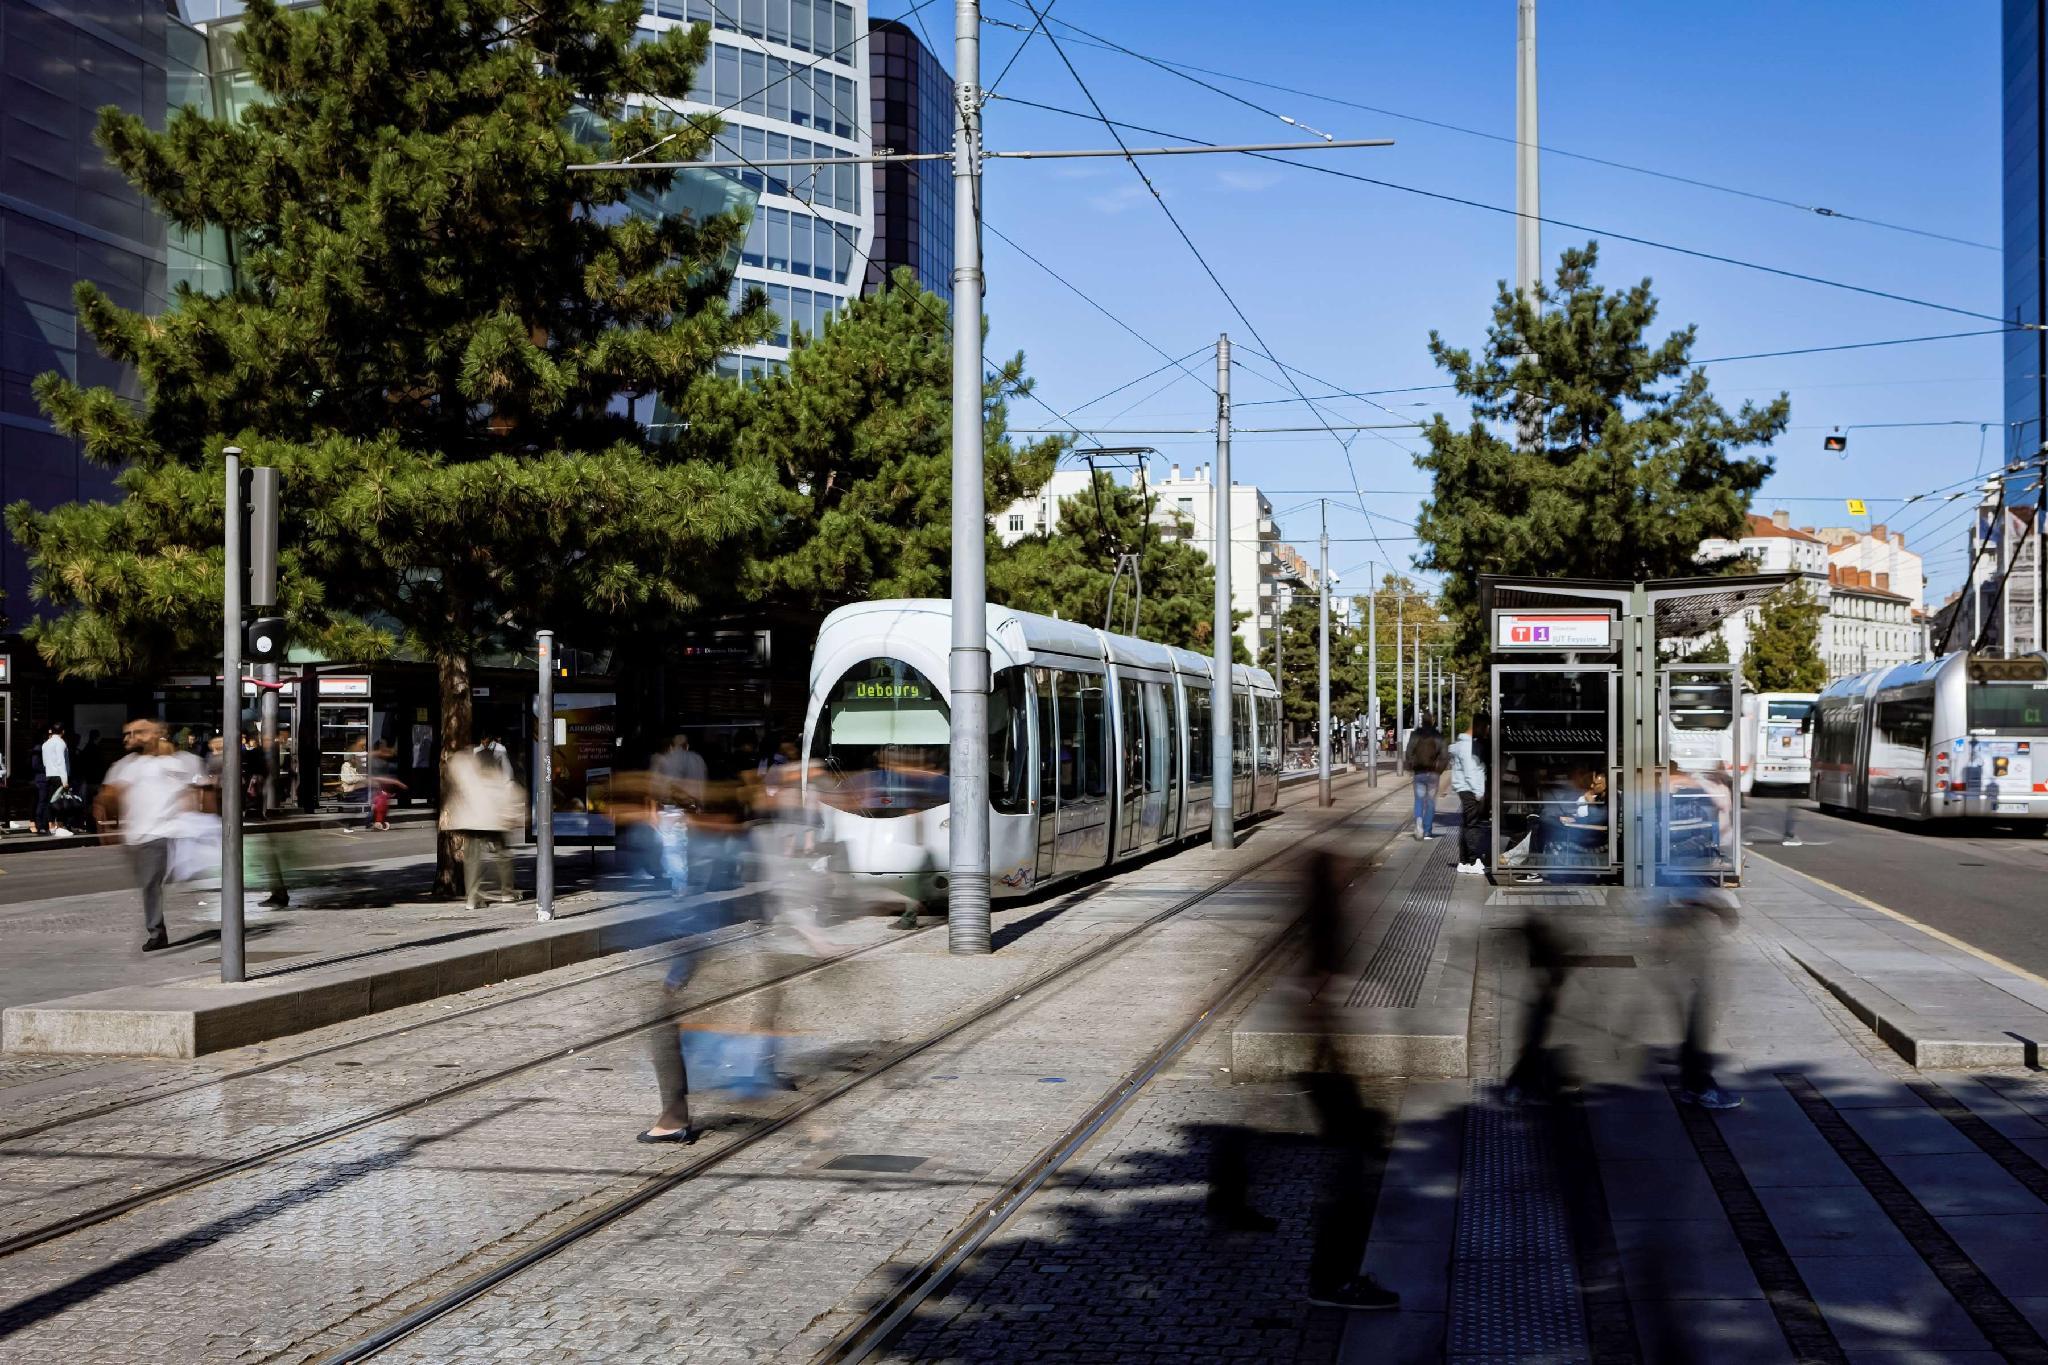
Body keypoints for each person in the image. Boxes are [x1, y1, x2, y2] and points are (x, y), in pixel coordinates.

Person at [96, 718, 205, 952]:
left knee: (154, 882)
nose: (130, 738)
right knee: (150, 884)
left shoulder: (182, 761)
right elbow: (110, 794)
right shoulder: (125, 765)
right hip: (140, 836)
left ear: (158, 734)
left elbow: (198, 791)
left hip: (172, 832)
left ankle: (158, 931)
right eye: (128, 734)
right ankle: (157, 931)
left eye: (138, 732)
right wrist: (108, 824)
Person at [440, 744, 523, 909]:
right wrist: (514, 814)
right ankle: (506, 892)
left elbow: (456, 789)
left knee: (472, 860)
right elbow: (508, 788)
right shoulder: (492, 769)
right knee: (503, 855)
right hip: (492, 820)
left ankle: (472, 897)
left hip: (471, 821)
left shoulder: (462, 766)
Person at [1448, 715, 1488, 875]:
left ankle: (1464, 861)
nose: (1486, 731)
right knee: (1473, 825)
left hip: (1465, 788)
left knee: (1466, 824)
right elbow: (1470, 770)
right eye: (1485, 728)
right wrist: (1478, 791)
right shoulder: (1467, 746)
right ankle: (1472, 861)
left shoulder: (1464, 744)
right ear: (1479, 727)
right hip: (1470, 790)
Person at [1402, 711, 1446, 841]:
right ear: (1432, 721)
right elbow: (1444, 756)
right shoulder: (1438, 736)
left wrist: (1412, 766)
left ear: (1422, 721)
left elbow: (1409, 752)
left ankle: (1419, 824)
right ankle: (1427, 831)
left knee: (1419, 800)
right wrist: (1439, 770)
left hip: (1419, 773)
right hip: (1433, 774)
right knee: (1431, 802)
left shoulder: (1416, 735)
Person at [34, 723, 71, 836]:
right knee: (60, 801)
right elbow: (62, 762)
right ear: (62, 731)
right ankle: (59, 826)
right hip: (59, 775)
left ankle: (51, 826)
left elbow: (45, 762)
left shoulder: (45, 744)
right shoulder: (61, 743)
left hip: (49, 774)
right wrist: (65, 781)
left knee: (50, 801)